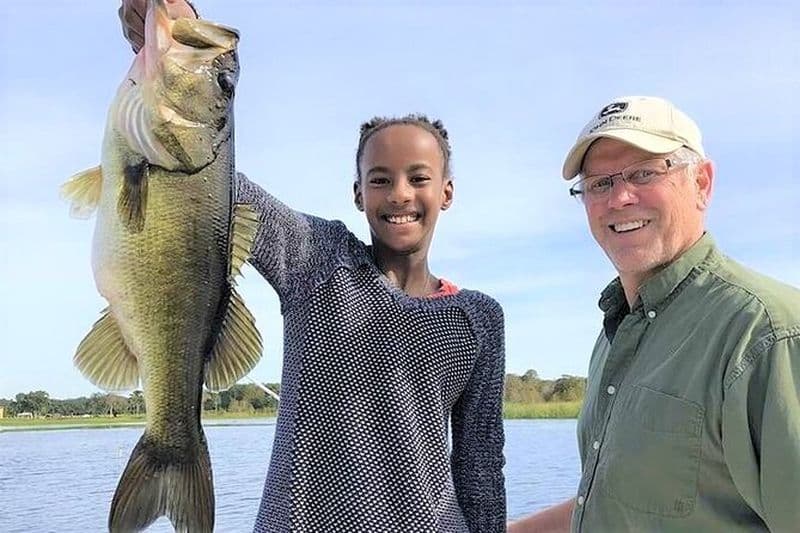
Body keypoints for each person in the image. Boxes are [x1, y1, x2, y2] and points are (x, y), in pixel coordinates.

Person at [117, 2, 506, 532]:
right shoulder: (317, 260)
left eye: (419, 178)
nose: (400, 195)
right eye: (379, 179)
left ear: (447, 191)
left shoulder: (481, 318)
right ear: (357, 193)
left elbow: (479, 468)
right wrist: (176, 40)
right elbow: (211, 181)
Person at [509, 95, 800, 532]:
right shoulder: (613, 334)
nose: (619, 198)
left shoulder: (767, 334)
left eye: (644, 173)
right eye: (599, 184)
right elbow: (615, 500)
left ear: (701, 182)